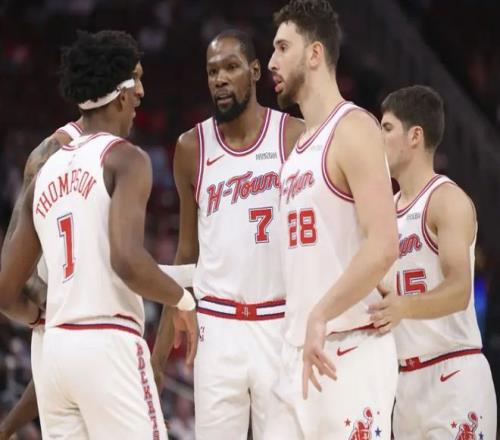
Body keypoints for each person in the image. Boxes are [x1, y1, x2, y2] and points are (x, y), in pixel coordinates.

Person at [0, 30, 197, 439]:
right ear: (120, 93)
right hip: (108, 341)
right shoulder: (125, 158)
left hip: (56, 353)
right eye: (136, 80)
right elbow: (126, 262)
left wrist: (42, 316)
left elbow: (4, 291)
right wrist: (183, 299)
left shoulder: (44, 170)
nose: (142, 92)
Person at [151, 29, 304, 440]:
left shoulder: (294, 136)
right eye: (212, 71)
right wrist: (159, 357)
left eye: (231, 67)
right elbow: (186, 253)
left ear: (254, 71)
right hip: (217, 327)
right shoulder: (191, 148)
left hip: (279, 323)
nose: (219, 78)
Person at [264, 0, 399, 438]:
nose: (271, 62)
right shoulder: (297, 152)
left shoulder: (354, 128)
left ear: (315, 53)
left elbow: (384, 244)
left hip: (350, 349)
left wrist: (321, 313)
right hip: (297, 353)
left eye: (283, 48)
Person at [370, 85, 497, 439]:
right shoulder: (383, 212)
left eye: (386, 128)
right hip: (405, 385)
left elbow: (459, 289)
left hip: (453, 375)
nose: (378, 138)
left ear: (415, 136)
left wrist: (403, 307)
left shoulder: (446, 200)